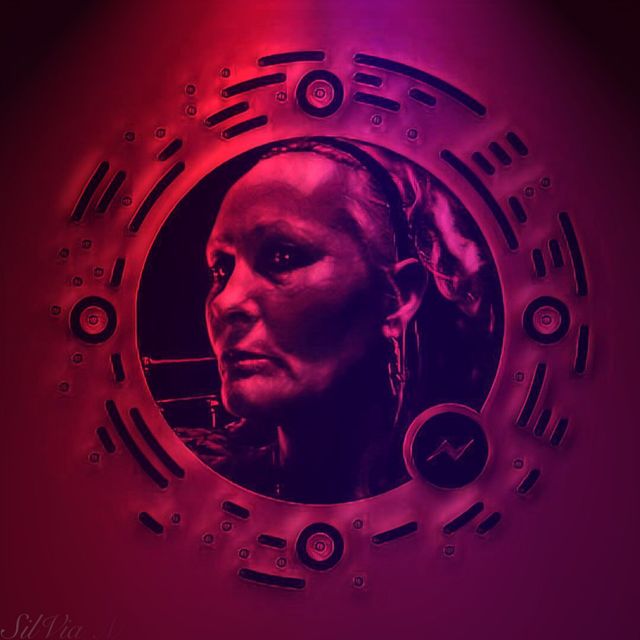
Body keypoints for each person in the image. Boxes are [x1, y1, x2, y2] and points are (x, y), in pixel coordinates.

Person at [183, 137, 500, 503]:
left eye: (283, 257)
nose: (225, 302)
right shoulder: (193, 488)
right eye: (221, 269)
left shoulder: (475, 487)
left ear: (399, 297)